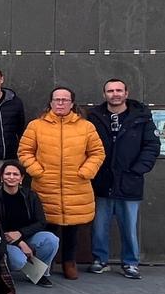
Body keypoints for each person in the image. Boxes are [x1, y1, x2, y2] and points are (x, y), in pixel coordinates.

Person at [18, 87, 105, 280]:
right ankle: (44, 266)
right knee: (47, 229)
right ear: (50, 103)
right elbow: (25, 152)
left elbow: (97, 152)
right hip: (45, 186)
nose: (60, 103)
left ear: (72, 103)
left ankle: (69, 262)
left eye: (65, 100)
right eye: (57, 100)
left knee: (72, 230)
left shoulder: (86, 127)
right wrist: (37, 171)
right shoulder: (36, 126)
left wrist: (86, 172)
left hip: (76, 187)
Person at [87, 79, 160, 279]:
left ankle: (130, 263)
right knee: (99, 226)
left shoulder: (142, 117)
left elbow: (152, 146)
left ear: (126, 93)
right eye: (110, 91)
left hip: (130, 181)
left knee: (129, 226)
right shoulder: (94, 117)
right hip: (102, 181)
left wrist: (138, 170)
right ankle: (100, 260)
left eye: (119, 90)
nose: (115, 94)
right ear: (104, 95)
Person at [0, 161, 57, 288]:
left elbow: (41, 222)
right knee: (18, 261)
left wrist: (21, 234)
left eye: (15, 174)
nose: (11, 177)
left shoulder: (30, 195)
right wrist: (20, 243)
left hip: (26, 235)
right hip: (5, 240)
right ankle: (24, 270)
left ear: (21, 178)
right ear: (1, 177)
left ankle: (39, 274)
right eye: (7, 173)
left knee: (51, 240)